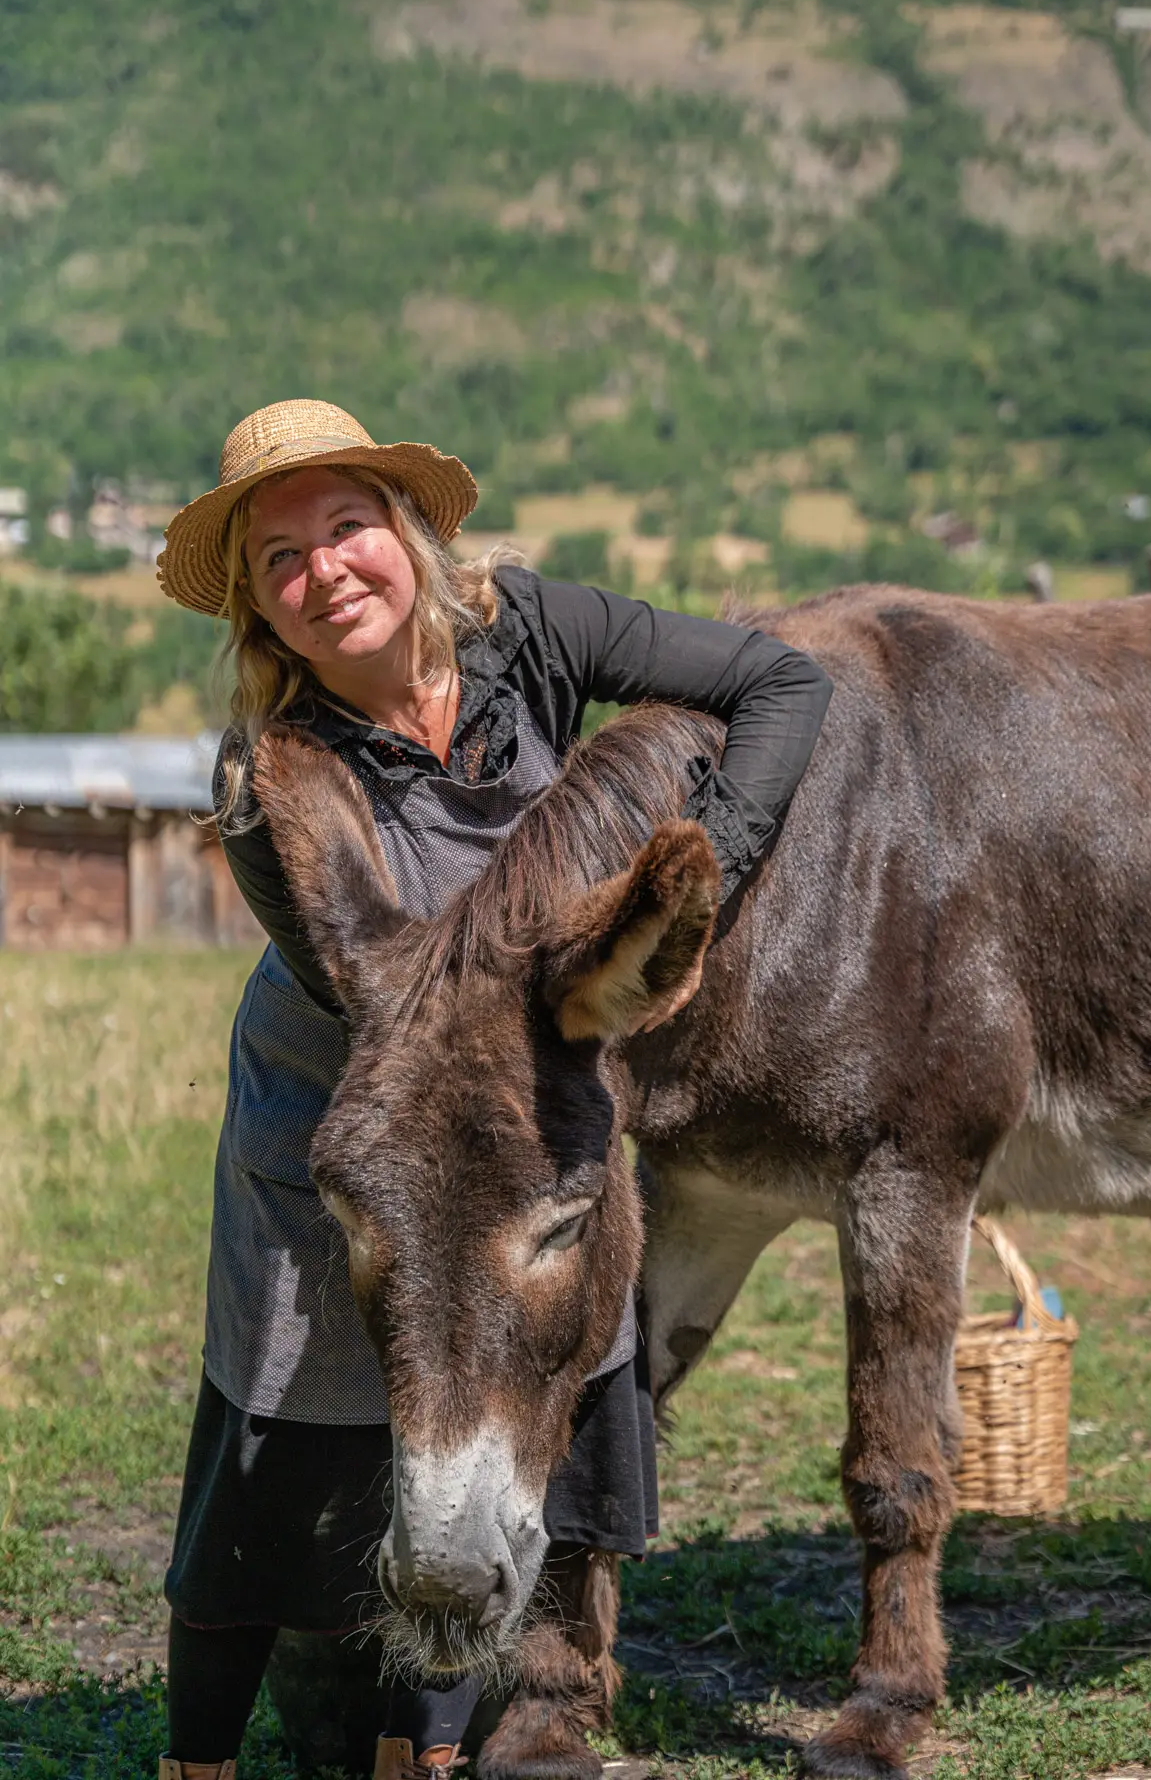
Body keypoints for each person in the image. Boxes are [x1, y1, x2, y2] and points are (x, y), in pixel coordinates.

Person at [153, 399, 833, 1780]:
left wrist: (692, 897)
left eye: (348, 527)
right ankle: (196, 1754)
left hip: (522, 1110)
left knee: (516, 1383)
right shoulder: (267, 783)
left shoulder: (528, 628)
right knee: (283, 1447)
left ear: (408, 537)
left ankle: (441, 1747)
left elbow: (781, 685)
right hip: (353, 1114)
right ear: (259, 619)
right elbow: (391, 1010)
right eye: (280, 560)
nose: (325, 571)